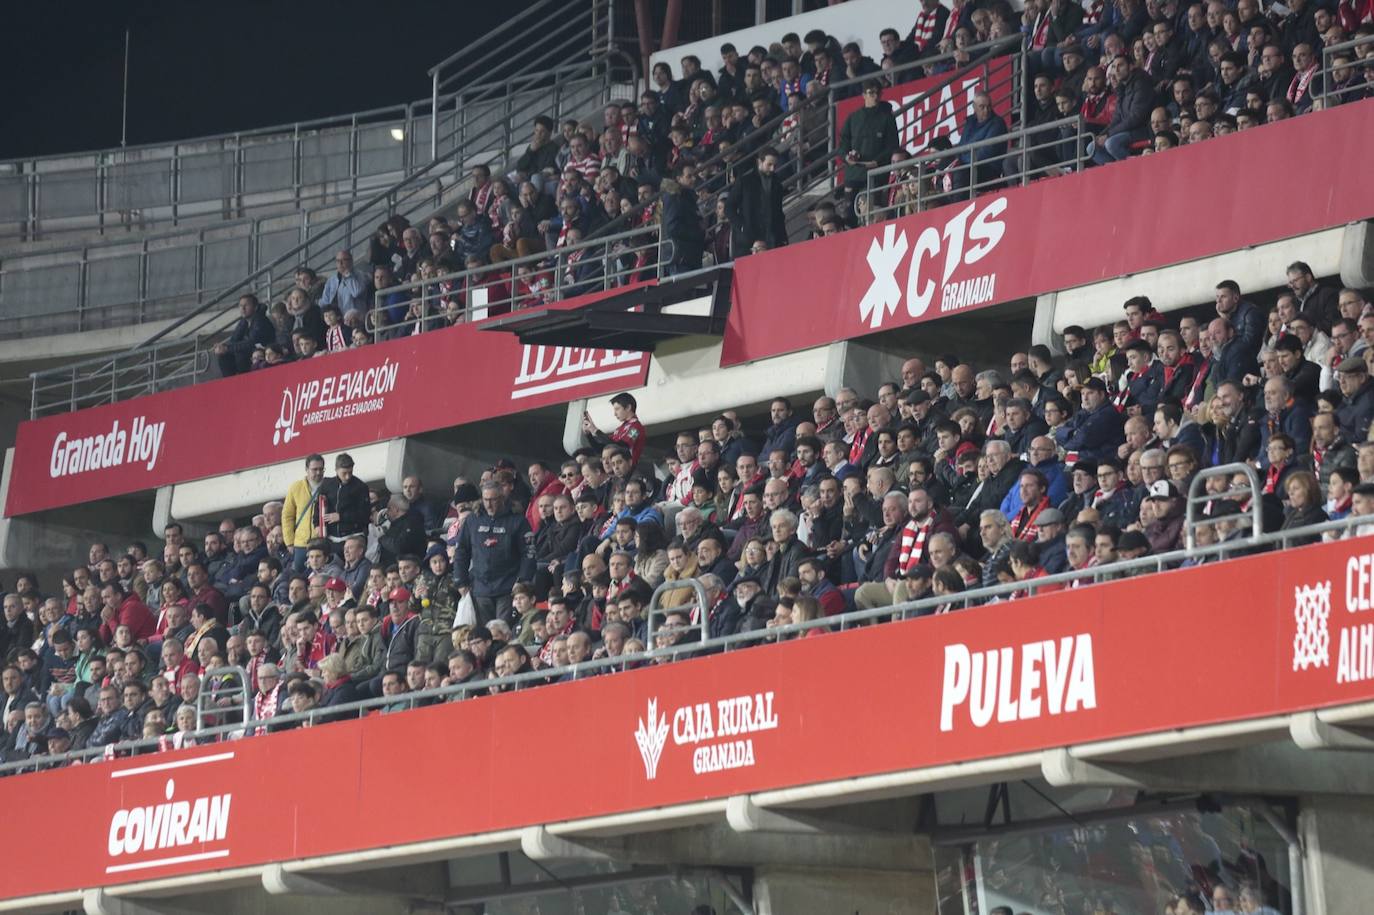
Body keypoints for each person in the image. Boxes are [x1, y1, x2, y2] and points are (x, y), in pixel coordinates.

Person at [453, 481, 535, 627]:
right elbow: (461, 551)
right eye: (486, 500)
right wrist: (460, 581)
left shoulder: (517, 520)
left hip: (508, 587)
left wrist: (522, 580)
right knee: (485, 634)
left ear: (502, 498)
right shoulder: (473, 520)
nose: (489, 504)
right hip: (480, 587)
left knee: (501, 631)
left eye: (493, 500)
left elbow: (528, 553)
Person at [837, 80, 900, 206]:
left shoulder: (887, 118)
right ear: (864, 95)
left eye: (878, 93)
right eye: (871, 93)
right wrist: (846, 157)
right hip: (853, 173)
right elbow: (843, 143)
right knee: (849, 214)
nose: (875, 97)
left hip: (877, 173)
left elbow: (893, 145)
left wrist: (877, 161)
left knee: (873, 209)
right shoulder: (853, 117)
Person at [725, 146, 788, 256]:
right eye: (769, 165)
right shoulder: (745, 181)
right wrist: (742, 226)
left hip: (771, 237)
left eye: (775, 165)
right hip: (749, 239)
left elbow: (778, 212)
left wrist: (783, 237)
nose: (773, 168)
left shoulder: (777, 184)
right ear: (759, 161)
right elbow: (729, 207)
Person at [282, 454, 327, 572]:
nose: (318, 472)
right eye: (314, 469)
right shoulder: (296, 487)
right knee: (300, 577)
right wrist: (289, 542)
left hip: (321, 542)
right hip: (301, 543)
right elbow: (287, 516)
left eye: (321, 469)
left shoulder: (329, 485)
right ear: (307, 470)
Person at [214, 294, 275, 378]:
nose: (243, 308)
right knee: (224, 356)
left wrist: (227, 348)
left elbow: (252, 342)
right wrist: (224, 347)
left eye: (246, 305)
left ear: (255, 307)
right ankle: (230, 384)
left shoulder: (261, 320)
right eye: (240, 306)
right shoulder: (244, 322)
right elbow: (233, 340)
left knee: (241, 354)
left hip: (263, 352)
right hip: (251, 353)